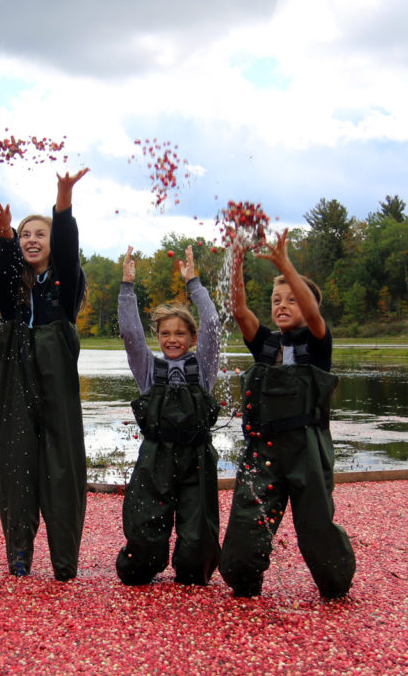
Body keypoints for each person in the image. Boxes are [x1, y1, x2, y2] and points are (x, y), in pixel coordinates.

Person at [219, 229, 356, 599]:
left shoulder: (317, 341)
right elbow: (238, 309)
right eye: (277, 299)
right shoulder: (264, 342)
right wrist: (236, 261)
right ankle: (244, 580)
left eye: (292, 299)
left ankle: (335, 584)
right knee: (248, 520)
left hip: (307, 448)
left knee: (314, 524)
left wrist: (284, 263)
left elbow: (313, 313)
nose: (282, 305)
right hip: (262, 449)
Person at [0, 167, 89, 581]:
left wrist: (62, 203)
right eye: (26, 235)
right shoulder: (11, 295)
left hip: (57, 391)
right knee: (16, 462)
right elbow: (5, 274)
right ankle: (19, 554)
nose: (32, 240)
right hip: (16, 387)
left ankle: (64, 560)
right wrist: (4, 235)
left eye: (38, 234)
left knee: (63, 467)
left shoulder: (65, 284)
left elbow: (67, 246)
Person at [114, 245, 222, 585]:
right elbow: (131, 333)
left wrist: (194, 283)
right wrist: (126, 289)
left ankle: (191, 565)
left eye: (179, 333)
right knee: (138, 563)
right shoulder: (148, 368)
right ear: (158, 336)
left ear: (192, 337)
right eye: (165, 333)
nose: (172, 340)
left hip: (197, 458)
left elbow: (214, 324)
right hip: (155, 458)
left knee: (195, 565)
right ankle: (144, 562)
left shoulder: (203, 366)